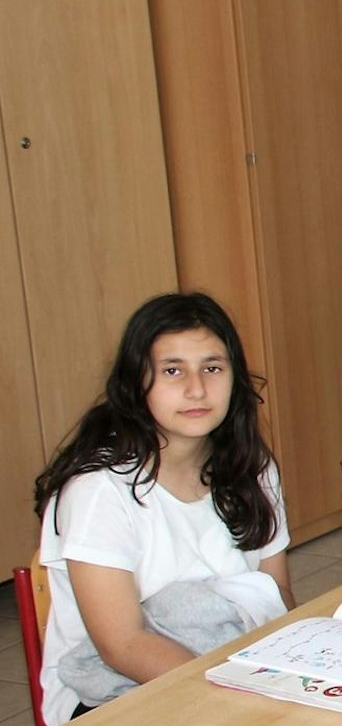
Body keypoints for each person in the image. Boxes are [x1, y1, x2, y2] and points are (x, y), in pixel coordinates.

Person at [34, 293, 293, 725]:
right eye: (173, 370)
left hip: (232, 666)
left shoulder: (254, 468)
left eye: (213, 368)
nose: (197, 389)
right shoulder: (99, 490)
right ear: (136, 384)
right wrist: (230, 696)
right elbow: (123, 645)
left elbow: (276, 594)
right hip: (113, 692)